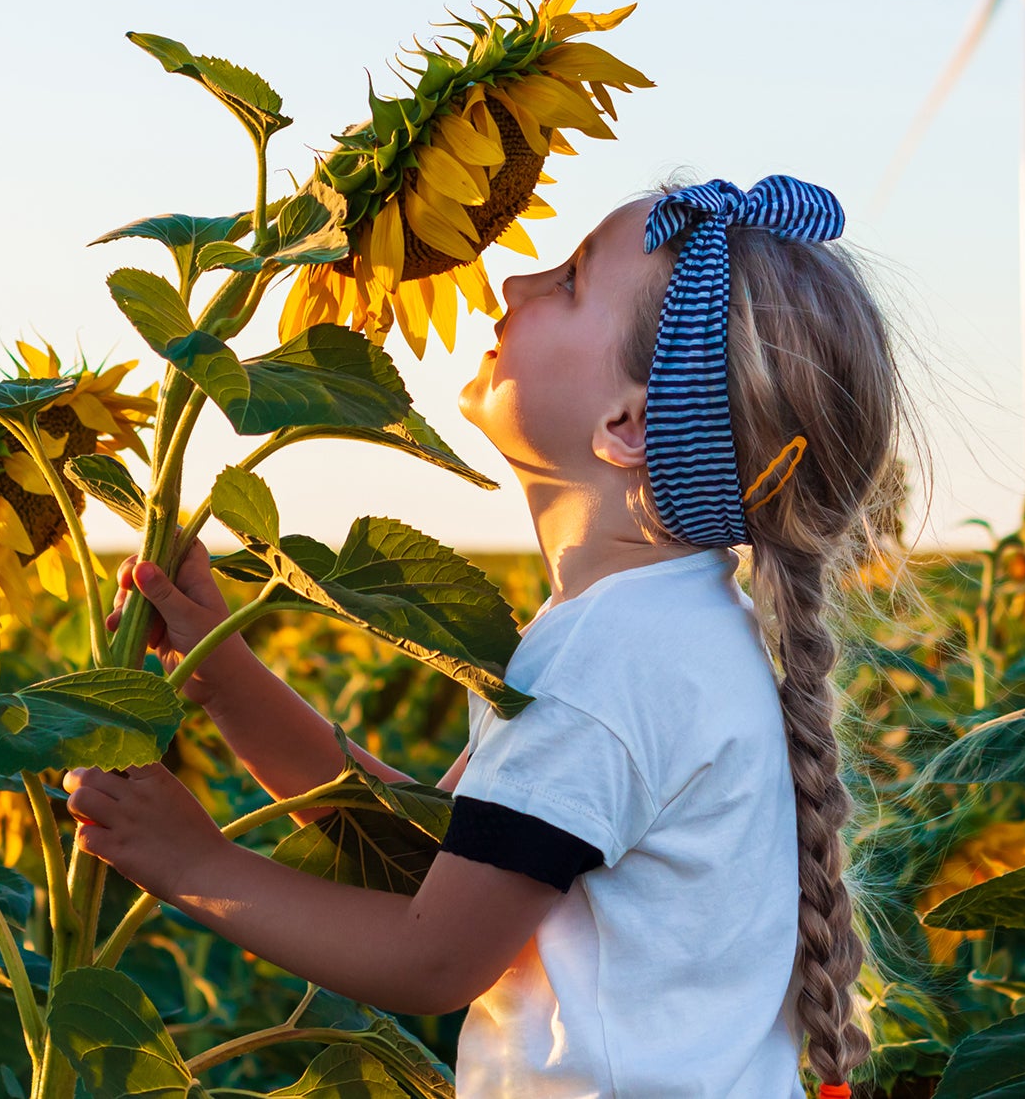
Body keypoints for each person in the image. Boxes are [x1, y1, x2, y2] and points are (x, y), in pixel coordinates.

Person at [67, 175, 910, 1097]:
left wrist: (193, 863)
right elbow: (440, 862)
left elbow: (433, 958)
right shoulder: (658, 629)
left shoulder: (611, 664)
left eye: (571, 281)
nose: (514, 286)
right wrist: (227, 678)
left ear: (627, 425)